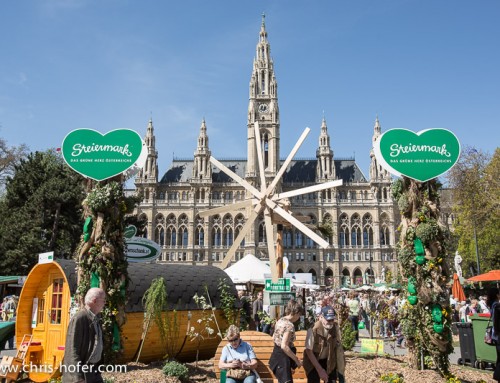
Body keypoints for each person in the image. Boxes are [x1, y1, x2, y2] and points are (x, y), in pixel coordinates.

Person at [62, 287, 106, 383]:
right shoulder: (80, 318)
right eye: (103, 300)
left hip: (93, 371)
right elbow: (72, 349)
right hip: (82, 373)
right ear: (94, 301)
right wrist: (77, 378)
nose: (105, 303)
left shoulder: (95, 318)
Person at [303, 305, 345, 383]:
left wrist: (341, 372)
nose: (330, 322)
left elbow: (339, 348)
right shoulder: (313, 329)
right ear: (321, 317)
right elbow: (309, 351)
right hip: (313, 361)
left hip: (328, 360)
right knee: (314, 379)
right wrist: (320, 370)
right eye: (328, 320)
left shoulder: (335, 327)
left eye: (332, 319)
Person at [269, 299, 303, 383]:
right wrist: (296, 360)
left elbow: (274, 338)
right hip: (283, 358)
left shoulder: (280, 320)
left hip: (276, 356)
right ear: (296, 313)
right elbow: (284, 346)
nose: (298, 318)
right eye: (299, 315)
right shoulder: (289, 326)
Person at [486, 287, 500, 382]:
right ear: (496, 295)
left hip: (496, 336)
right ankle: (498, 376)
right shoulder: (497, 306)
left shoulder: (492, 305)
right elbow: (497, 322)